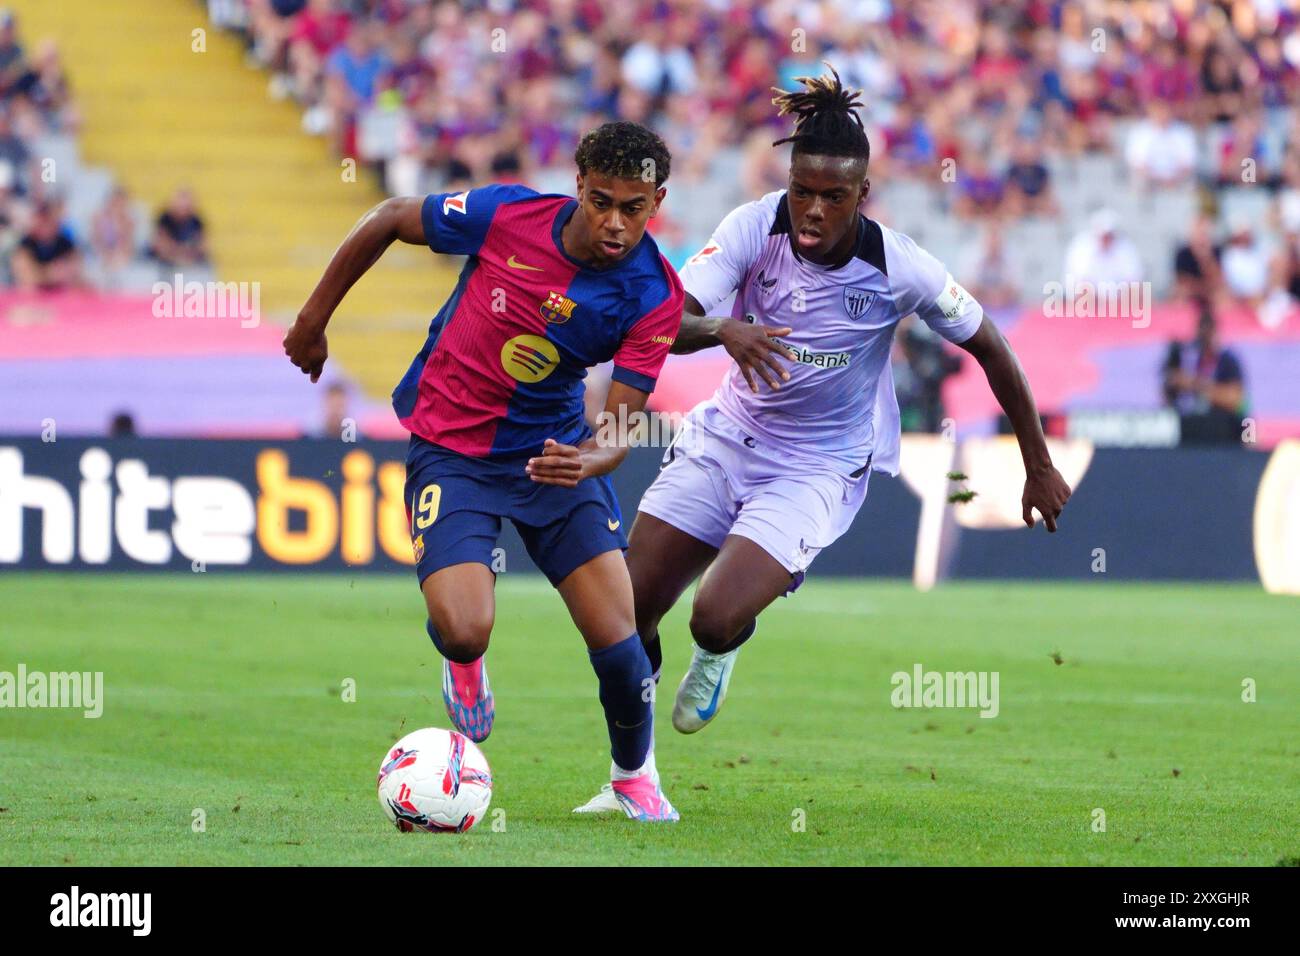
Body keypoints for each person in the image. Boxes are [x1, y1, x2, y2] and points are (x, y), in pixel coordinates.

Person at [623, 69, 1072, 734]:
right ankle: (634, 771)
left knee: (713, 616)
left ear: (863, 193)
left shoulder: (902, 266)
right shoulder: (752, 229)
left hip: (817, 465)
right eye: (801, 191)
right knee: (624, 615)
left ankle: (720, 651)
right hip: (727, 434)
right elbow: (665, 325)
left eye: (832, 196)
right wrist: (722, 328)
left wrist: (1037, 463)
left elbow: (994, 349)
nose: (812, 209)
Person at [283, 121, 685, 821]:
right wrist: (314, 319)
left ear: (658, 201)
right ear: (578, 187)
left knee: (622, 647)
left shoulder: (654, 293)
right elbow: (387, 218)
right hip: (453, 448)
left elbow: (622, 425)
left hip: (554, 458)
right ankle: (463, 665)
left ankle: (633, 778)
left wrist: (586, 458)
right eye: (601, 201)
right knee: (466, 627)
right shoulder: (508, 215)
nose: (616, 223)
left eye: (635, 207)